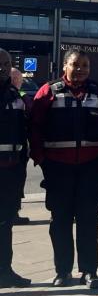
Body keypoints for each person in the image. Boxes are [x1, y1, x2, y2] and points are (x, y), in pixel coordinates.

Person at [30, 49, 98, 288]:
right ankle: (63, 272)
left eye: (85, 66)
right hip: (58, 169)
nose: (80, 70)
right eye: (75, 65)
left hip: (91, 167)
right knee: (60, 221)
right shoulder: (49, 91)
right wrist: (41, 159)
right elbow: (34, 126)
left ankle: (89, 271)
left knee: (89, 220)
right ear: (65, 66)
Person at [0, 50, 32, 287]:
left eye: (6, 63)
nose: (2, 67)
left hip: (11, 169)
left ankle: (5, 271)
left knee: (6, 223)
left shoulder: (15, 96)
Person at [9, 68, 30, 226]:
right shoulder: (20, 97)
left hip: (17, 147)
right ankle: (13, 212)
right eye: (18, 79)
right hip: (17, 149)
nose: (20, 81)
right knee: (15, 182)